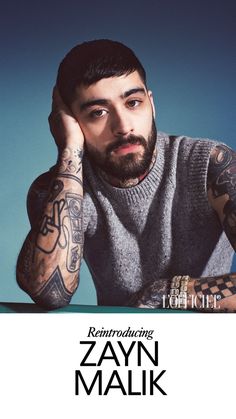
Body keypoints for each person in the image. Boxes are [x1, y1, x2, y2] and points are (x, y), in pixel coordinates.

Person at [16, 39, 236, 312]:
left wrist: (165, 292)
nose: (123, 126)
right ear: (70, 122)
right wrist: (70, 150)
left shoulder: (211, 166)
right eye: (98, 112)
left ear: (151, 105)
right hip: (119, 346)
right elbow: (47, 291)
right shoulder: (59, 188)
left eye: (133, 103)